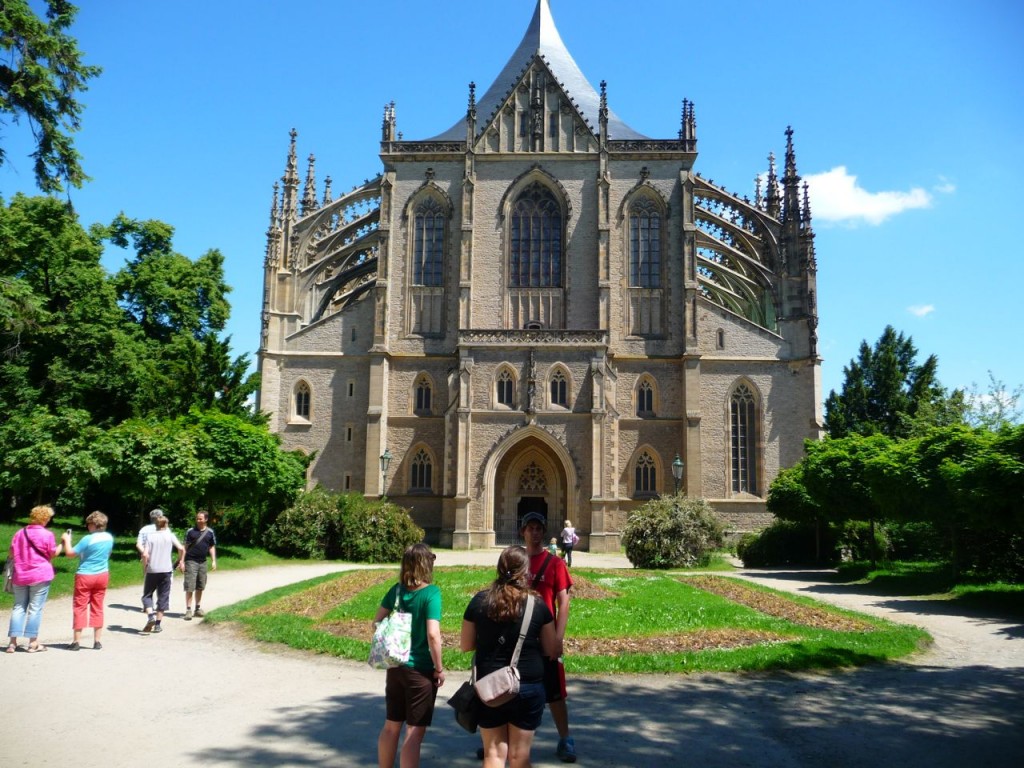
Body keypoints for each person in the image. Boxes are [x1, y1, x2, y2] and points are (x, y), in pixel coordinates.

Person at [462, 546, 556, 768]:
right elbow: (551, 648)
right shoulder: (537, 604)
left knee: (493, 754)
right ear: (525, 572)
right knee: (519, 756)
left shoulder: (479, 601)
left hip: (489, 685)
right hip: (527, 685)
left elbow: (466, 645)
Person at [374, 543, 444, 768]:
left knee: (391, 726)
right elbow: (433, 634)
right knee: (414, 734)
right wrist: (439, 668)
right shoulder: (431, 593)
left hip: (395, 666)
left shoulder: (396, 590)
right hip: (420, 670)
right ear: (426, 564)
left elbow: (376, 622)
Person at [520, 511, 577, 762]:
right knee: (512, 689)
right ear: (523, 531)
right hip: (519, 638)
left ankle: (565, 739)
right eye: (530, 527)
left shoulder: (555, 564)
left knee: (555, 691)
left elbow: (564, 602)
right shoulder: (516, 562)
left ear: (544, 532)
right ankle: (501, 738)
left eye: (538, 528)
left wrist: (558, 636)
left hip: (545, 636)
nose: (534, 532)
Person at [6, 504, 62, 653]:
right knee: (35, 609)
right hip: (40, 575)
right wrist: (63, 544)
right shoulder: (47, 534)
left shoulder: (20, 533)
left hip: (21, 574)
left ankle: (12, 643)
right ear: (45, 519)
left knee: (18, 607)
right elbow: (52, 554)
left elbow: (11, 553)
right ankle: (33, 643)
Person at [61, 511, 114, 651]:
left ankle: (76, 641)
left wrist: (67, 540)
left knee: (80, 606)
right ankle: (97, 641)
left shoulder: (87, 539)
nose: (87, 527)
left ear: (93, 524)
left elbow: (70, 554)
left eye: (88, 524)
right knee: (98, 606)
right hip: (102, 574)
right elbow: (108, 554)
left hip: (85, 575)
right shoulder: (109, 537)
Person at [141, 515, 184, 634]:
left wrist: (145, 566)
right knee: (163, 596)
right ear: (166, 524)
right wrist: (180, 560)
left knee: (147, 595)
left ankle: (150, 617)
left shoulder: (150, 536)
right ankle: (158, 625)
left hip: (152, 570)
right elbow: (181, 548)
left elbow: (145, 555)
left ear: (156, 525)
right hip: (166, 570)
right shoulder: (170, 535)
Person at [180, 510, 217, 620]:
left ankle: (197, 608)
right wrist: (182, 561)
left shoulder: (210, 532)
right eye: (197, 518)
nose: (198, 520)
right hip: (191, 561)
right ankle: (188, 610)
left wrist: (214, 560)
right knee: (190, 586)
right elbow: (184, 547)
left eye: (200, 518)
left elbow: (211, 547)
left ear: (206, 519)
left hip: (203, 562)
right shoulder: (190, 532)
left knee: (200, 586)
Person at [136, 508, 163, 610]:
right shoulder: (164, 528)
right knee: (162, 582)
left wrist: (145, 553)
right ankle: (160, 605)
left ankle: (147, 605)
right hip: (161, 558)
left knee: (148, 582)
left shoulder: (144, 529)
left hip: (147, 559)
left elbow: (138, 544)